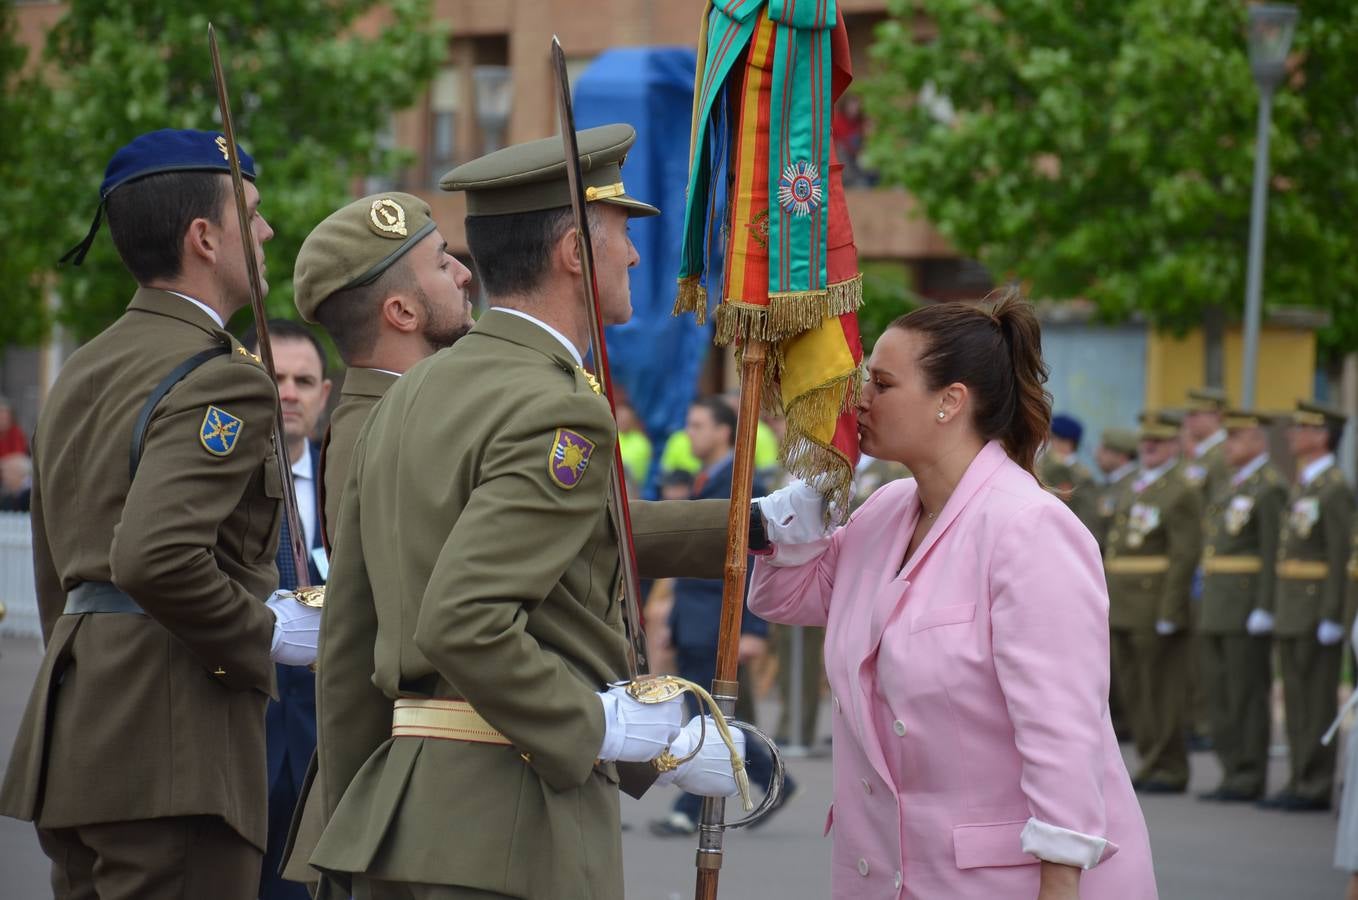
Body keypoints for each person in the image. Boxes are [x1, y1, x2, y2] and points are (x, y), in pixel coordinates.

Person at [309, 124, 750, 900]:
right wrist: (605, 728)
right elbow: (463, 619)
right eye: (619, 234)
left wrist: (347, 830)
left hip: (397, 823)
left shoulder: (408, 393)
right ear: (574, 251)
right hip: (510, 829)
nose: (635, 256)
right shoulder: (556, 407)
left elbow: (351, 638)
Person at [0, 129, 320, 900]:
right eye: (252, 211)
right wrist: (270, 632)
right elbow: (151, 557)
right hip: (176, 750)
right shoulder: (223, 379)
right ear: (203, 238)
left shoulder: (84, 368)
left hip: (83, 729)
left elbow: (59, 575)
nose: (270, 230)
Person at [748, 294, 1155, 899]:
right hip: (887, 870)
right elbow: (786, 598)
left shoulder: (1029, 528)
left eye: (882, 384)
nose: (859, 399)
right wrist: (812, 486)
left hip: (1000, 880)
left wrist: (1061, 879)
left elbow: (1063, 732)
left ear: (950, 401)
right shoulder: (888, 509)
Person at [292, 191, 474, 546]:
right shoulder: (384, 439)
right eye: (442, 265)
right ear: (403, 313)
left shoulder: (407, 415)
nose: (464, 273)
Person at [650, 396, 792, 837]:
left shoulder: (739, 482)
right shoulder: (705, 477)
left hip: (720, 617)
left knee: (708, 717)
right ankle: (776, 780)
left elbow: (752, 559)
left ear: (723, 432)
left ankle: (693, 805)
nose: (689, 433)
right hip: (696, 617)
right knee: (712, 715)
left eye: (698, 425)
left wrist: (752, 627)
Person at [243, 320, 331, 900]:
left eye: (304, 380)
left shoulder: (350, 478)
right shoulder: (223, 476)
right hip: (240, 743)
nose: (289, 392)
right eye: (276, 377)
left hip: (324, 754)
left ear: (325, 395)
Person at [1262, 400, 1353, 812]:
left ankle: (1314, 783)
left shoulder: (1335, 487)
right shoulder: (1306, 483)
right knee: (1296, 699)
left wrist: (1334, 613)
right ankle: (1299, 777)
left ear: (1321, 435)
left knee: (1316, 699)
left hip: (1317, 608)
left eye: (1301, 428)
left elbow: (1339, 557)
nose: (1291, 434)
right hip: (1294, 606)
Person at [1105, 410, 1202, 794]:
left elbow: (1184, 555)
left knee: (1162, 689)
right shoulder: (1134, 487)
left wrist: (1171, 609)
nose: (1149, 446)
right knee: (1134, 691)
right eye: (1146, 441)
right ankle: (1150, 759)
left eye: (1158, 441)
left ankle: (1170, 766)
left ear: (1174, 445)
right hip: (1125, 603)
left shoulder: (1181, 490)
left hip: (1155, 602)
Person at [1196, 410, 1286, 803]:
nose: (1228, 446)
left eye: (1237, 439)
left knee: (1246, 693)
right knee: (1220, 693)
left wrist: (1266, 606)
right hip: (1218, 603)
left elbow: (1271, 552)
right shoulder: (1232, 486)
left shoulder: (1270, 487)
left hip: (1246, 605)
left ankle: (1249, 774)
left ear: (1257, 442)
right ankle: (1232, 770)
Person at [1038, 412, 1098, 536]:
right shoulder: (1042, 466)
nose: (1047, 445)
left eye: (1052, 439)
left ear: (1067, 443)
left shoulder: (1082, 476)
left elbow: (1086, 521)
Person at [1092, 428, 1138, 552]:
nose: (1097, 454)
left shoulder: (1134, 485)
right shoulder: (1111, 483)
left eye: (1105, 450)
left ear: (1122, 456)